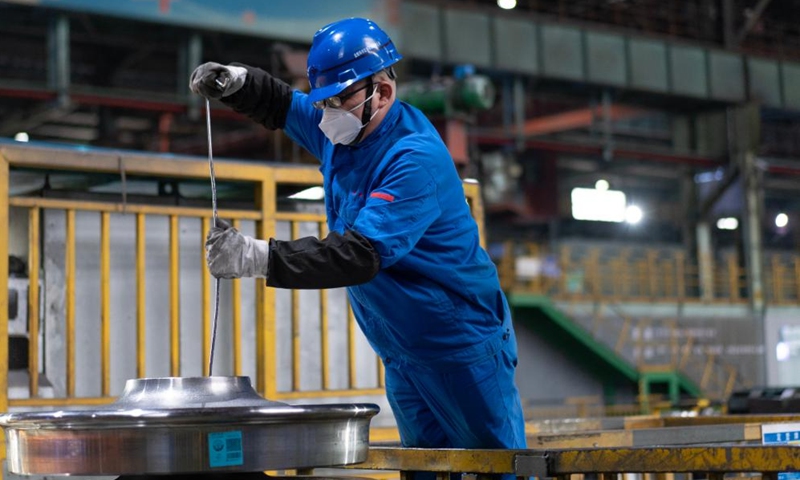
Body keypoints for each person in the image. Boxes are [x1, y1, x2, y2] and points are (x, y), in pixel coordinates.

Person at [192, 17, 527, 477]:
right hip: (403, 350)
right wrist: (237, 82)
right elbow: (285, 105)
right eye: (323, 102)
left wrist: (257, 256)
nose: (325, 113)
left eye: (335, 101)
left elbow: (358, 255)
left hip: (460, 348)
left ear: (382, 93)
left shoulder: (413, 159)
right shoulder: (346, 128)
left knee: (494, 469)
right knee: (424, 467)